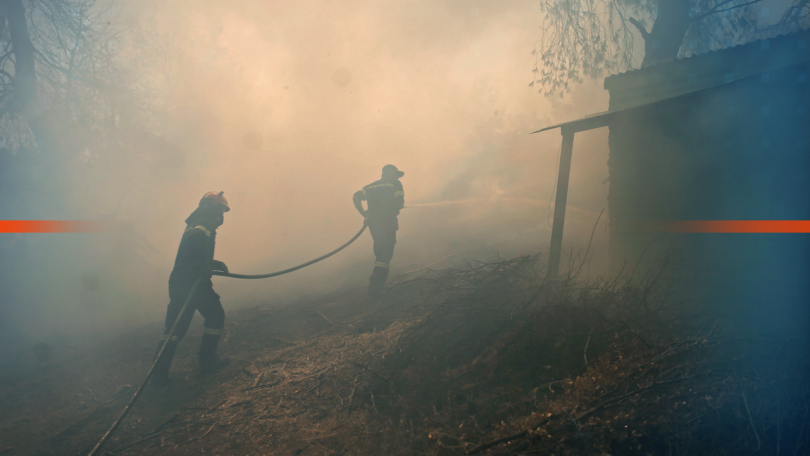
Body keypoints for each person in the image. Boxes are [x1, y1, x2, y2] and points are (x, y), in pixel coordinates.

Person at [152, 192, 231, 386]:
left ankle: (159, 375)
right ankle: (207, 362)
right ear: (214, 208)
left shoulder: (196, 221)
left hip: (181, 281)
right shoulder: (204, 221)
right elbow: (196, 242)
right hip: (193, 282)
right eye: (222, 210)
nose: (222, 215)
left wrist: (210, 263)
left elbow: (194, 248)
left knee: (174, 329)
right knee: (215, 316)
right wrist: (206, 262)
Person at [353, 165, 405, 297]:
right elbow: (399, 202)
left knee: (380, 250)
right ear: (392, 174)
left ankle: (376, 285)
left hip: (374, 224)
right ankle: (375, 287)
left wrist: (364, 213)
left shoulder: (370, 186)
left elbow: (356, 197)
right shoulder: (395, 183)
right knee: (386, 253)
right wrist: (395, 208)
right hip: (388, 222)